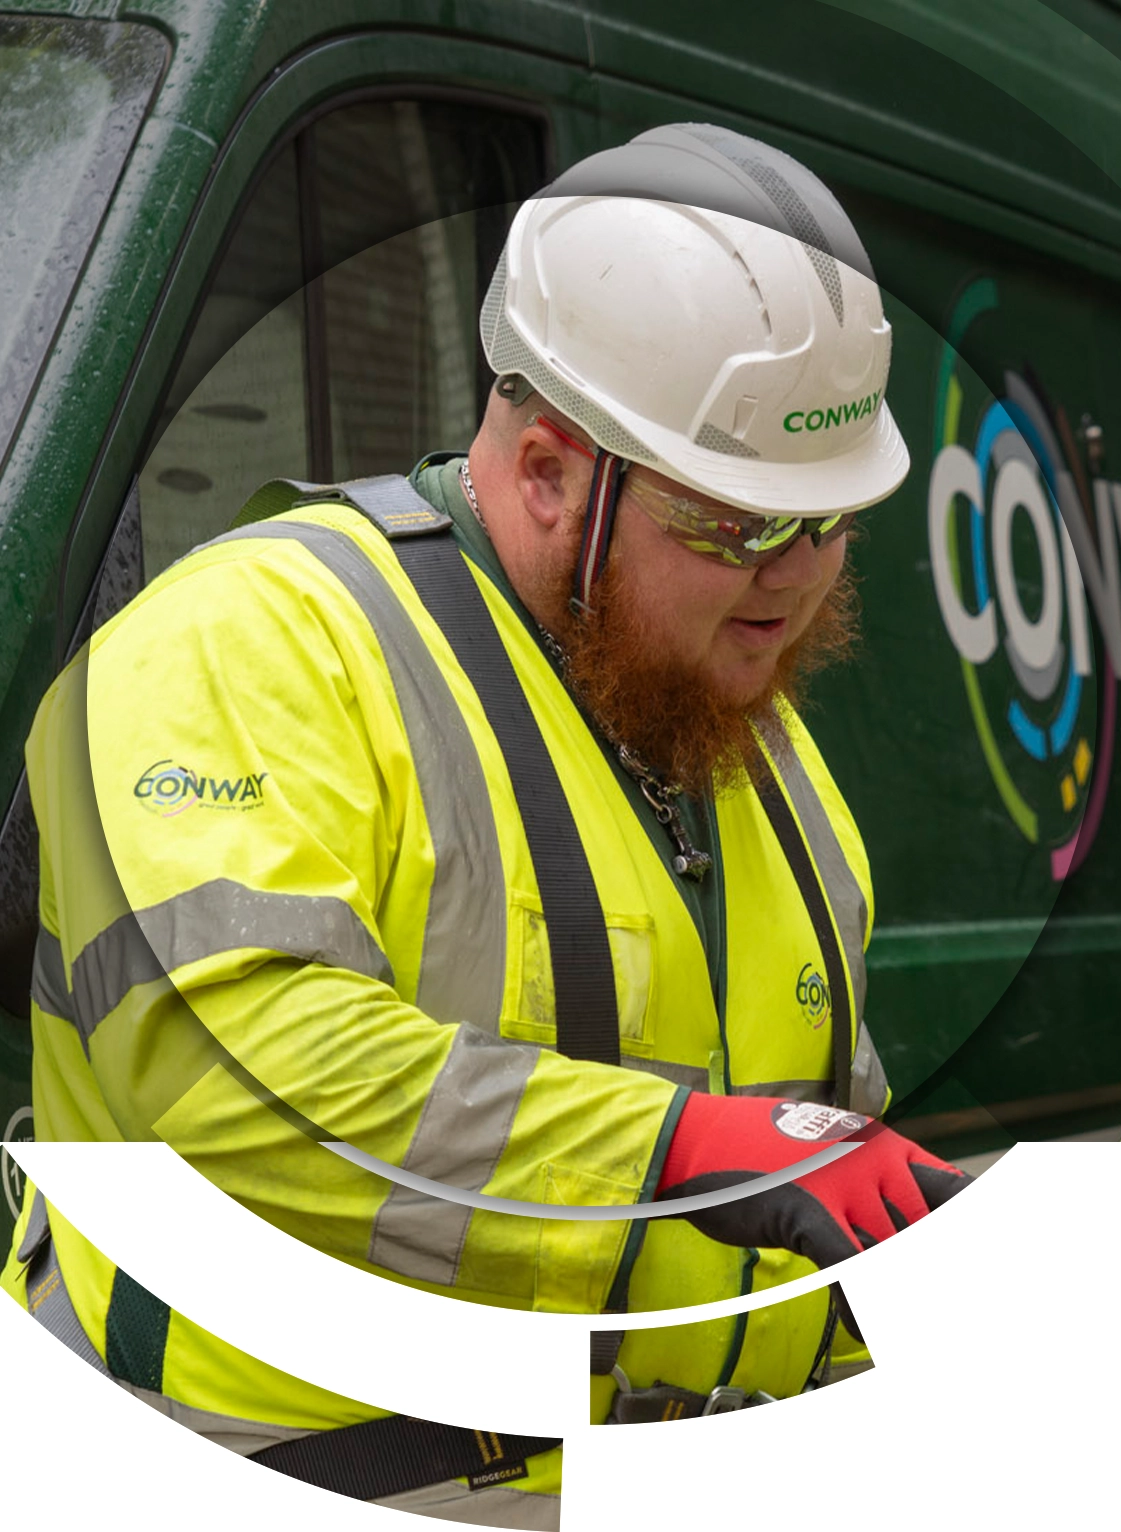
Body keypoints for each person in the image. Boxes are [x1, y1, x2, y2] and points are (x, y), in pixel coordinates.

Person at [2, 125, 964, 1522]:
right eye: (731, 528)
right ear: (547, 472)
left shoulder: (774, 765)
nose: (794, 585)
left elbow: (815, 1164)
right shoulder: (249, 644)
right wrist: (674, 1159)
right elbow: (229, 1073)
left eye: (823, 526)